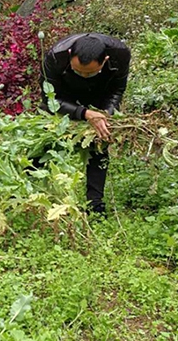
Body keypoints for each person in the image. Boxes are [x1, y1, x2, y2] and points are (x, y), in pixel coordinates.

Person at [39, 33, 131, 214]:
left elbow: (117, 89)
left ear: (105, 60)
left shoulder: (120, 55)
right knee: (47, 143)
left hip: (99, 95)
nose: (83, 75)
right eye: (78, 71)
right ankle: (29, 187)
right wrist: (83, 113)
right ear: (71, 54)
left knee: (99, 142)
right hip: (63, 97)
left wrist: (106, 115)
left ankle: (95, 205)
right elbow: (50, 98)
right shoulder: (55, 56)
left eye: (89, 72)